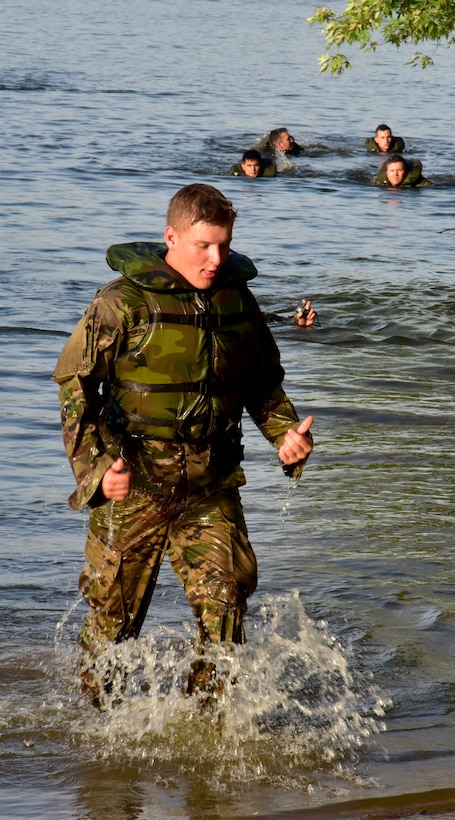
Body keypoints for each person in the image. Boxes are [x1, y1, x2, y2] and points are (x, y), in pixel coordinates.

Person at [53, 183, 314, 704]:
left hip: (210, 486)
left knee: (226, 614)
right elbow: (75, 387)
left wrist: (286, 435)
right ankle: (97, 738)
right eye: (203, 246)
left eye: (224, 244)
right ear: (171, 236)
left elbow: (262, 385)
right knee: (113, 624)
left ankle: (208, 732)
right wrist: (99, 467)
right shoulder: (120, 303)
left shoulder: (239, 303)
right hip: (136, 486)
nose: (216, 258)